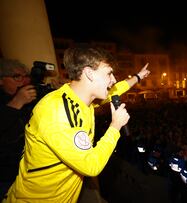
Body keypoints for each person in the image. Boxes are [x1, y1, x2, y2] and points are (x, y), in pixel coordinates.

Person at [3, 46, 150, 202]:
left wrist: (138, 77)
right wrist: (115, 127)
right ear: (89, 73)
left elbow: (116, 89)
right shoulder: (57, 112)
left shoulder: (81, 99)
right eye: (109, 73)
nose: (113, 79)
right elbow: (91, 166)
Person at [0, 59, 36, 199]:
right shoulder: (15, 99)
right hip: (6, 176)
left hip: (28, 168)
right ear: (1, 80)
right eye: (17, 77)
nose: (24, 81)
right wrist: (17, 102)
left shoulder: (27, 95)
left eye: (26, 76)